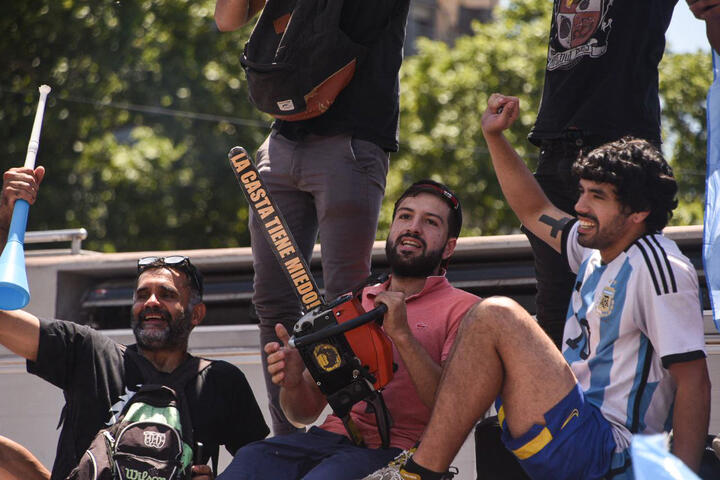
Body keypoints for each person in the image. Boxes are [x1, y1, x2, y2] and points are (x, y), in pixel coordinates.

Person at [367, 95, 711, 480]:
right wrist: (494, 137)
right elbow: (533, 210)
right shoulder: (595, 249)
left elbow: (694, 381)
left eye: (596, 196)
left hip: (611, 450)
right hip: (572, 429)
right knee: (489, 322)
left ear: (638, 212)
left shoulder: (660, 265)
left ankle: (419, 472)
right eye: (582, 191)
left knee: (497, 314)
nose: (579, 206)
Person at [214, 0, 411, 435]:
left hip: (352, 139)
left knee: (347, 302)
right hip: (284, 138)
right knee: (272, 301)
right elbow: (227, 19)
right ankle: (287, 438)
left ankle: (358, 430)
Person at [0, 167, 270, 480]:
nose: (151, 302)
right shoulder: (89, 353)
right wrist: (5, 222)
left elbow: (264, 465)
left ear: (196, 315)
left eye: (166, 294)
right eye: (143, 295)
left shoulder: (222, 382)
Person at [215, 180, 480, 480]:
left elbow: (455, 412)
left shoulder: (467, 310)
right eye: (405, 216)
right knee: (252, 458)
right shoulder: (354, 301)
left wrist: (403, 335)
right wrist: (292, 384)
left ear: (449, 247)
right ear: (392, 229)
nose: (413, 227)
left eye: (430, 222)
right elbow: (302, 413)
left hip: (398, 452)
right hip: (325, 441)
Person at [524, 0, 720, 348]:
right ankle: (559, 402)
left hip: (622, 151)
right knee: (553, 317)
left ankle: (622, 401)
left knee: (625, 298)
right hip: (556, 147)